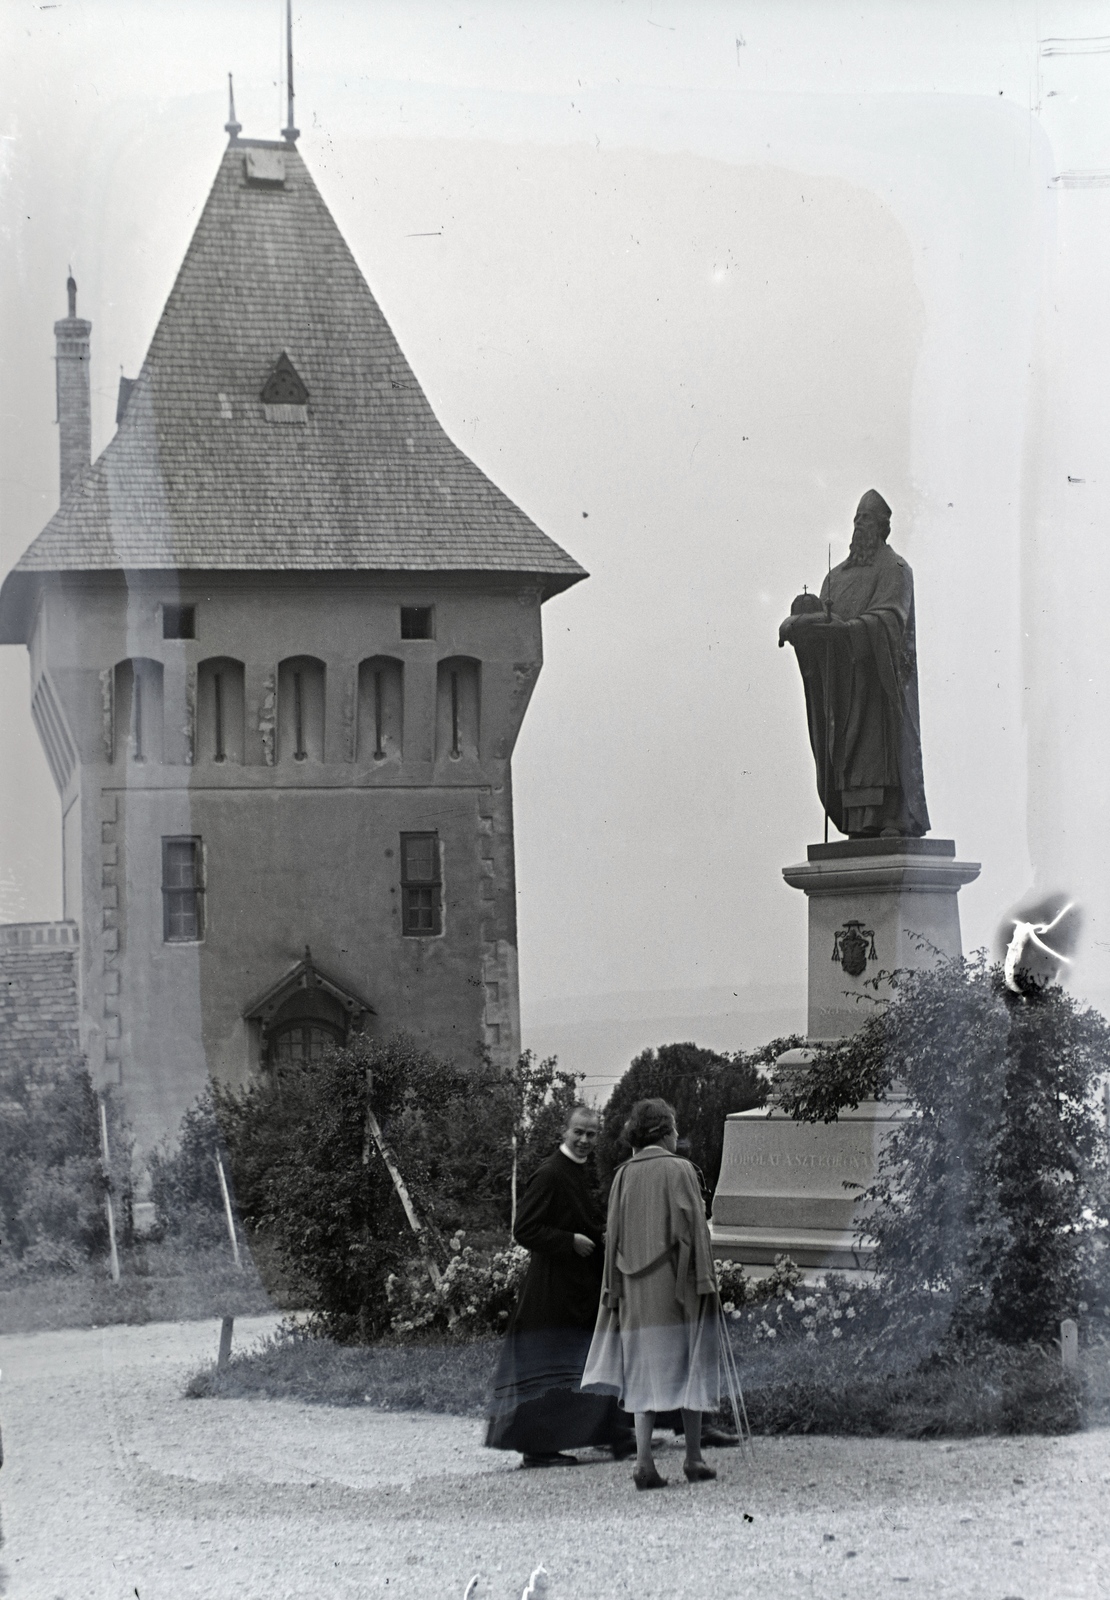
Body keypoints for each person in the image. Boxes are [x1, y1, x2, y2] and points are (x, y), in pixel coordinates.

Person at [581, 1098, 727, 1490]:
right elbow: (695, 1233)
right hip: (677, 1289)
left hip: (632, 1291)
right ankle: (693, 1458)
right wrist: (706, 1282)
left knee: (640, 1372)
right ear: (663, 1131)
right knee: (692, 1364)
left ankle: (644, 1461)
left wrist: (612, 1290)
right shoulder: (681, 1169)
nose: (678, 1135)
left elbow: (613, 1239)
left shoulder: (622, 1175)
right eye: (675, 1127)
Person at [485, 1105, 634, 1467]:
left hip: (579, 1290)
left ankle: (615, 1436)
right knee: (550, 1368)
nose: (584, 1140)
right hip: (551, 1293)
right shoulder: (551, 1173)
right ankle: (537, 1450)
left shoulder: (582, 1172)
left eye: (591, 1134)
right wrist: (569, 1241)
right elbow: (524, 1229)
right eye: (578, 1133)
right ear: (563, 1132)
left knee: (591, 1362)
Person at [778, 488, 930, 839]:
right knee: (848, 754)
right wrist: (803, 625)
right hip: (844, 688)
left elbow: (890, 618)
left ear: (883, 528)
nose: (861, 526)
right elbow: (821, 625)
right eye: (857, 519)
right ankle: (858, 822)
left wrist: (847, 631)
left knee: (880, 750)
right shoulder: (836, 579)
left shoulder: (895, 569)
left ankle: (892, 816)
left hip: (879, 683)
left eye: (869, 520)